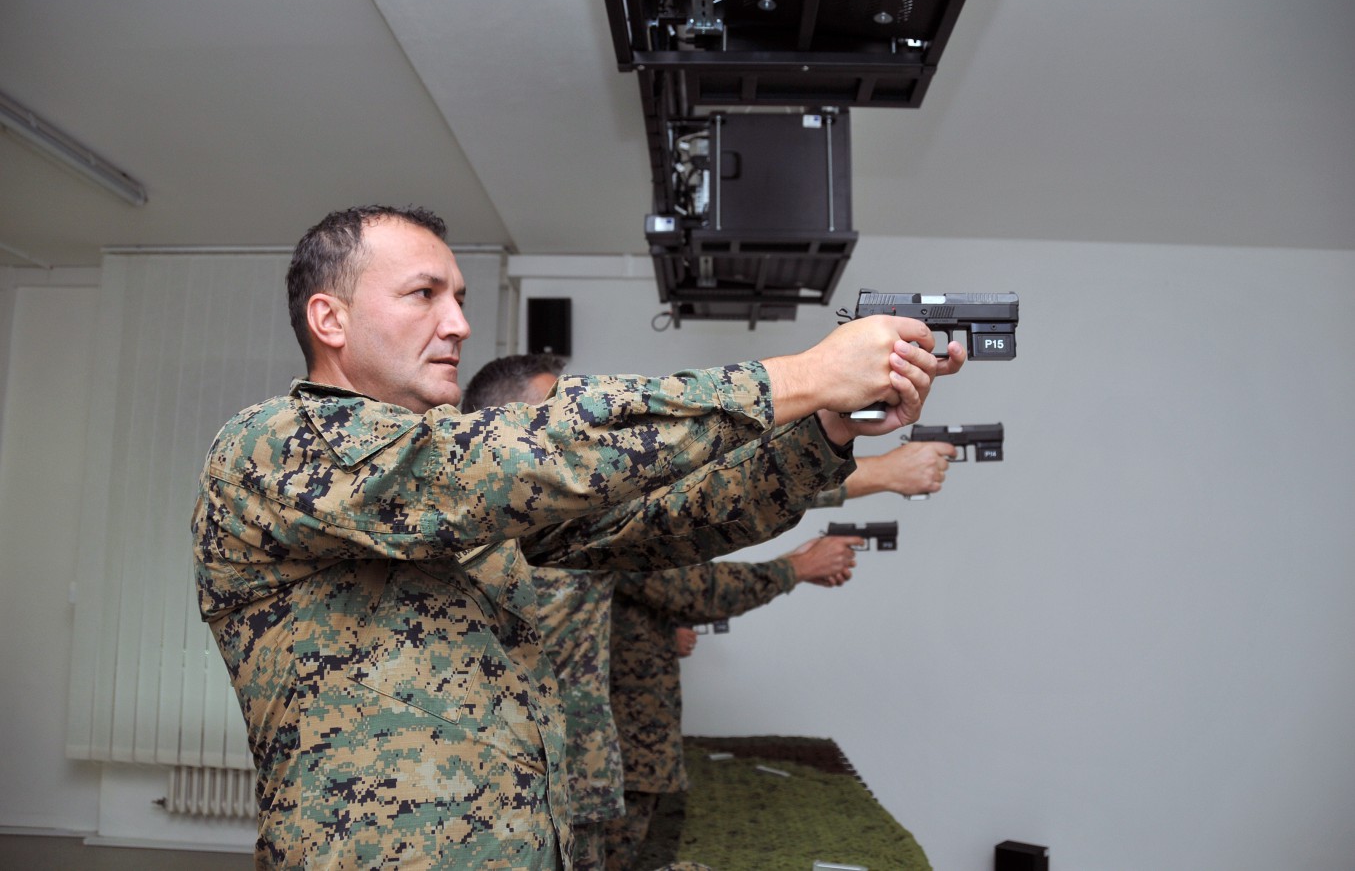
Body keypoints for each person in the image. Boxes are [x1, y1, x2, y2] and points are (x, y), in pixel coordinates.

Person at [191, 204, 962, 869]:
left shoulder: (463, 495)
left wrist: (822, 431)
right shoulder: (274, 446)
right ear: (329, 319)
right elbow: (540, 454)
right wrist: (797, 378)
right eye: (423, 295)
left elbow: (663, 522)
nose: (457, 324)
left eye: (458, 298)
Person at [462, 355, 956, 871]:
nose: (579, 438)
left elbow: (691, 500)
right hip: (544, 783)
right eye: (555, 421)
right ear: (503, 430)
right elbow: (686, 506)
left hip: (554, 778)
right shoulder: (517, 519)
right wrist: (870, 475)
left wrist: (839, 440)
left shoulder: (517, 519)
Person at [604, 442, 957, 870]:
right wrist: (797, 567)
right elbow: (704, 564)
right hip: (611, 757)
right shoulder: (600, 497)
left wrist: (651, 630)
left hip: (619, 750)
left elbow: (654, 577)